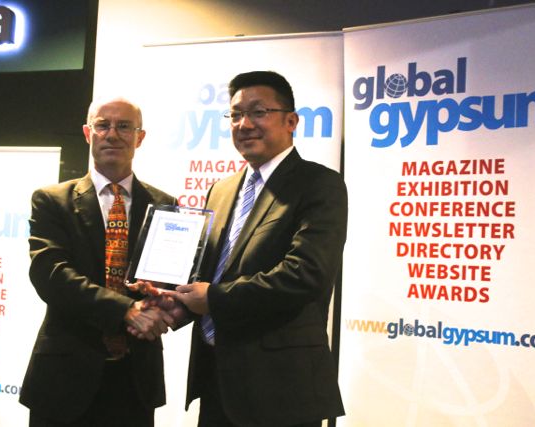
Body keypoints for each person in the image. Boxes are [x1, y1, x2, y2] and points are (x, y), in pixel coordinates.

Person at [174, 71, 348, 427]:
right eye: (236, 114)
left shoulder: (319, 184)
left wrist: (214, 299)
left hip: (281, 388)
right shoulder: (221, 190)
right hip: (217, 380)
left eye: (258, 112)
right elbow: (209, 273)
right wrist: (173, 302)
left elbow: (305, 274)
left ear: (291, 121)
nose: (244, 124)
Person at [20, 97, 177, 427]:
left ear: (140, 137)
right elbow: (51, 275)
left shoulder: (165, 205)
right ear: (87, 133)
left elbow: (169, 279)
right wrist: (126, 310)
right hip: (64, 377)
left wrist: (165, 298)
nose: (113, 134)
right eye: (103, 125)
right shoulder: (52, 200)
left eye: (124, 126)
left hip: (135, 378)